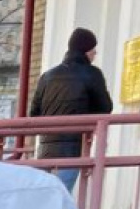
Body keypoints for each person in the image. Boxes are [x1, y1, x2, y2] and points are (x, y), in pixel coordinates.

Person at [30, 27, 114, 192]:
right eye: (92, 48)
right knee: (61, 197)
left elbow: (34, 114)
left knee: (47, 197)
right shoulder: (92, 74)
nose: (95, 53)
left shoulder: (47, 76)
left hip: (45, 151)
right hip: (73, 150)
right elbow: (105, 107)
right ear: (85, 50)